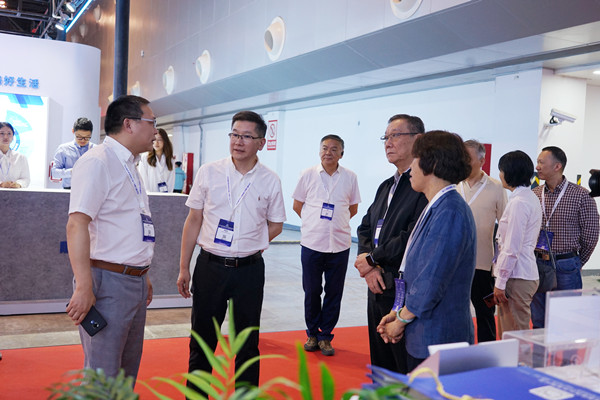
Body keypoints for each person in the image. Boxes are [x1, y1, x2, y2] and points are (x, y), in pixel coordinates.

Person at [177, 111, 286, 389]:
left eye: (246, 136)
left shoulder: (270, 180)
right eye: (235, 134)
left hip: (249, 271)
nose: (238, 141)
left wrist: (253, 243)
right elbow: (193, 220)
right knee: (202, 340)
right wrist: (183, 267)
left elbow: (276, 224)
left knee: (247, 343)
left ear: (261, 142)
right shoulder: (209, 171)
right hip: (210, 267)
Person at [65, 95, 157, 383]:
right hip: (106, 282)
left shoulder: (131, 164)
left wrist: (141, 272)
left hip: (133, 280)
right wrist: (84, 286)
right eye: (152, 122)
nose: (156, 131)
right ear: (129, 124)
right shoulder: (98, 161)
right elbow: (77, 224)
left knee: (126, 374)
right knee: (102, 375)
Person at [377, 130, 476, 372]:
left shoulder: (450, 211)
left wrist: (401, 319)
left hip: (439, 336)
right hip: (425, 331)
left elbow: (431, 279)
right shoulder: (437, 206)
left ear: (431, 164)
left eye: (416, 159)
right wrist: (399, 312)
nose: (411, 168)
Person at [354, 114, 427, 374]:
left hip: (402, 287)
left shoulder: (422, 186)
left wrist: (373, 259)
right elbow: (365, 226)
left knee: (401, 362)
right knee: (380, 360)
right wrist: (369, 265)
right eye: (385, 137)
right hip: (376, 283)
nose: (388, 142)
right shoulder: (387, 185)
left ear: (417, 139)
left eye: (395, 135)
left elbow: (412, 235)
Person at [292, 134, 361, 356]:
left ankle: (325, 336)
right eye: (324, 148)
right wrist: (314, 224)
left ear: (342, 153)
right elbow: (297, 205)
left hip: (339, 245)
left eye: (333, 149)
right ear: (319, 151)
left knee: (334, 292)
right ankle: (312, 333)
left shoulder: (350, 177)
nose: (328, 152)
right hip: (312, 243)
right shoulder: (307, 174)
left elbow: (353, 208)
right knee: (312, 291)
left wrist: (335, 225)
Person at [530, 146, 599, 328]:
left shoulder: (581, 195)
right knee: (538, 320)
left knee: (565, 322)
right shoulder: (534, 194)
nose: (537, 166)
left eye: (541, 162)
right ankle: (539, 348)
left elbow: (591, 234)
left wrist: (576, 261)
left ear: (557, 166)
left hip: (565, 265)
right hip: (537, 263)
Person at [459, 140, 507, 342]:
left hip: (482, 264)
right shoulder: (452, 184)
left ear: (482, 160)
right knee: (455, 311)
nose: (463, 162)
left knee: (485, 312)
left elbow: (505, 225)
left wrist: (500, 266)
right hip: (454, 262)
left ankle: (487, 351)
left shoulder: (496, 187)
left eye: (468, 158)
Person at [493, 151, 542, 337]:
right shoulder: (527, 198)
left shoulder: (519, 203)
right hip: (520, 273)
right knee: (513, 332)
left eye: (501, 170)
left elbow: (511, 248)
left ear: (510, 172)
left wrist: (500, 282)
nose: (500, 174)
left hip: (517, 276)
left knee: (514, 335)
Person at [51, 117, 95, 189]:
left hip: (90, 190)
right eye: (79, 137)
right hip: (69, 190)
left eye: (87, 137)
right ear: (73, 131)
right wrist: (71, 172)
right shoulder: (63, 149)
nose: (83, 140)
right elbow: (54, 173)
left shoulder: (95, 149)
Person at [138, 128, 175, 193]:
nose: (156, 143)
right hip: (149, 195)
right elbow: (143, 180)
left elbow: (171, 181)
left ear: (165, 141)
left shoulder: (170, 160)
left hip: (165, 196)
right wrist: (148, 195)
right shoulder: (145, 157)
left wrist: (168, 196)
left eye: (159, 139)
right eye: (154, 139)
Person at [0, 122, 30, 188]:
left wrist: (18, 184)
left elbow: (25, 179)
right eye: (2, 133)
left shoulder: (20, 157)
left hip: (15, 193)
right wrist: (1, 184)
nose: (5, 137)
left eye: (9, 133)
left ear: (13, 137)